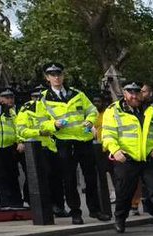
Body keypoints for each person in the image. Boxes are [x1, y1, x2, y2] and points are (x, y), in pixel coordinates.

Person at [38, 62, 108, 224]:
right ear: (47, 78)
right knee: (68, 179)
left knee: (90, 177)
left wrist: (90, 122)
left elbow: (92, 111)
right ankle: (75, 211)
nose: (56, 77)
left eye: (59, 74)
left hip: (83, 140)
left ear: (63, 76)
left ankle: (95, 210)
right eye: (53, 75)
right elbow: (40, 123)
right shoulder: (43, 99)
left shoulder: (77, 94)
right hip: (63, 141)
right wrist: (53, 125)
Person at [101, 82, 153, 235]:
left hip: (148, 157)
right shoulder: (113, 111)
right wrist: (115, 150)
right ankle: (120, 218)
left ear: (141, 94)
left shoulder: (152, 110)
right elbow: (107, 134)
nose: (134, 96)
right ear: (124, 93)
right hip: (126, 158)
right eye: (130, 92)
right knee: (124, 192)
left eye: (137, 92)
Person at [0, 89, 23, 209]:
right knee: (0, 175)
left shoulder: (9, 111)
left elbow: (17, 127)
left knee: (13, 174)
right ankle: (5, 203)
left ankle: (17, 202)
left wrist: (20, 142)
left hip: (10, 147)